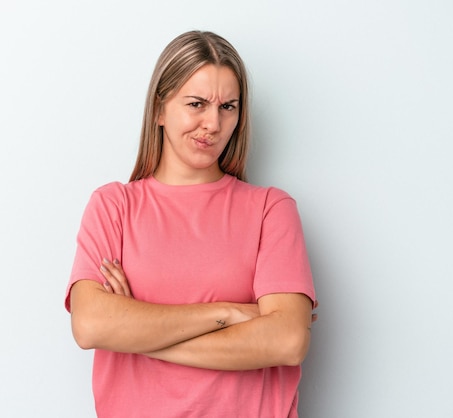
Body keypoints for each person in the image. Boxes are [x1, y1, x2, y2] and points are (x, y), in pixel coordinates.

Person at [65, 30, 317, 418]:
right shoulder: (113, 206)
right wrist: (231, 314)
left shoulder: (271, 209)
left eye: (228, 107)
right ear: (160, 109)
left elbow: (286, 341)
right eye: (197, 104)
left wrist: (137, 333)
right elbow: (90, 325)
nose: (213, 124)